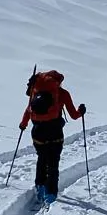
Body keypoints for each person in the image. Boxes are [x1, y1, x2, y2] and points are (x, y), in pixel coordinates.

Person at [20, 70, 85, 205]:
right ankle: (51, 194)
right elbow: (73, 115)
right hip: (55, 132)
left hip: (37, 132)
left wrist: (23, 124)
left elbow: (28, 110)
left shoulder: (35, 91)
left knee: (42, 159)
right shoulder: (63, 94)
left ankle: (40, 188)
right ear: (58, 82)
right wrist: (81, 112)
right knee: (53, 162)